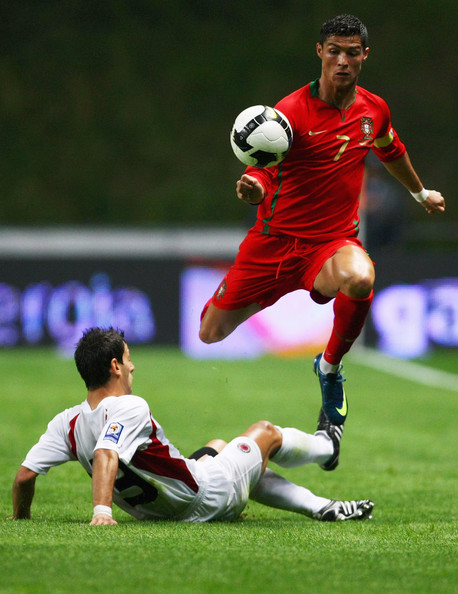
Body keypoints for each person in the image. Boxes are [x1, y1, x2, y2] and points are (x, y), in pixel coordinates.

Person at [199, 14, 446, 426]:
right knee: (210, 333)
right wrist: (253, 189)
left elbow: (390, 148)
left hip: (331, 244)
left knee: (361, 277)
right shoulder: (291, 112)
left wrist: (420, 192)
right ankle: (260, 293)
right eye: (334, 51)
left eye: (352, 53)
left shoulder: (373, 110)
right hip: (273, 244)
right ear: (320, 52)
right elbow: (264, 168)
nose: (342, 61)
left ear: (364, 55)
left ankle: (329, 368)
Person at [9, 327, 374, 525]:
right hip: (205, 497)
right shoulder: (131, 406)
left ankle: (322, 506)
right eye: (128, 359)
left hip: (162, 510)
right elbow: (107, 453)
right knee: (265, 432)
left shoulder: (66, 423)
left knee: (218, 445)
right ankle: (328, 447)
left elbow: (24, 477)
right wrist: (101, 513)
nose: (133, 367)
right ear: (115, 367)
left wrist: (21, 517)